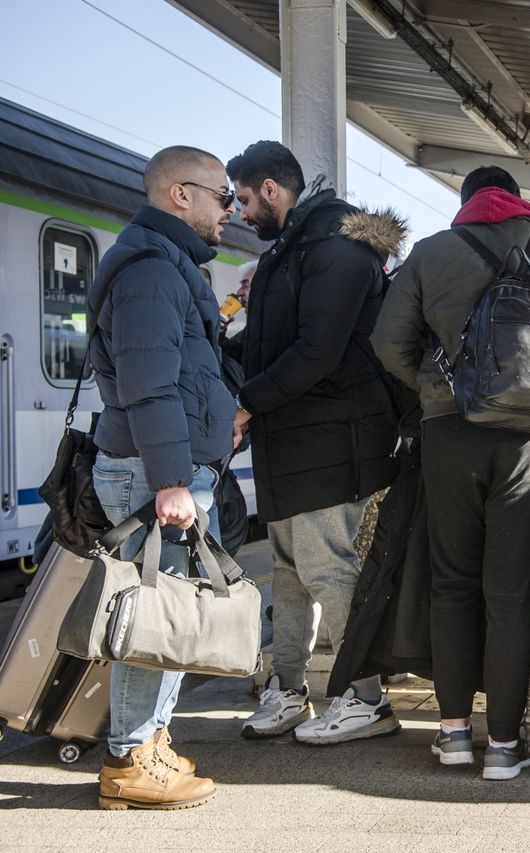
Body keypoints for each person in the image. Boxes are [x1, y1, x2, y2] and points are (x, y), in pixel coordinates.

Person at [372, 165, 530, 779]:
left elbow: (387, 342)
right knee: (511, 591)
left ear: (464, 205)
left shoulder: (432, 253)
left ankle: (454, 734)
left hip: (451, 434)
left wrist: (437, 389)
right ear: (518, 202)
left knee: (452, 584)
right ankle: (505, 746)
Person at [227, 140, 404, 744]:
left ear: (272, 189)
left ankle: (366, 698)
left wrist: (247, 402)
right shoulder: (293, 250)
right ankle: (287, 688)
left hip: (333, 436)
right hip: (294, 437)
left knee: (327, 567)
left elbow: (316, 352)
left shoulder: (334, 247)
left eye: (245, 199)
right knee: (287, 571)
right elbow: (271, 345)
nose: (240, 212)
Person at [89, 145, 236, 809]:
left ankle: (148, 741)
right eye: (222, 196)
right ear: (181, 195)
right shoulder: (151, 269)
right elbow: (149, 383)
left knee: (168, 617)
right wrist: (172, 479)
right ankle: (128, 758)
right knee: (152, 616)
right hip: (155, 477)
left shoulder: (168, 265)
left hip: (166, 473)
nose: (229, 210)